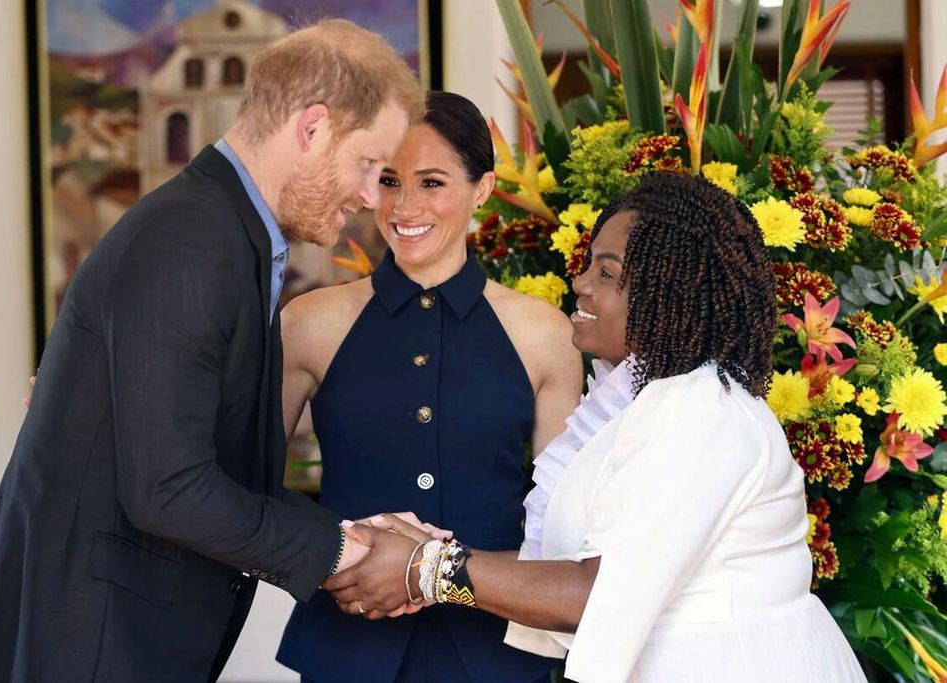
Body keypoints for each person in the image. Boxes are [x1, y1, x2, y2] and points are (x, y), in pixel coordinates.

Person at [0, 20, 423, 683]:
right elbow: (168, 489)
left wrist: (354, 535)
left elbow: (199, 461)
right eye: (368, 165)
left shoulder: (226, 233)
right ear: (312, 130)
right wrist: (342, 549)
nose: (370, 197)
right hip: (87, 649)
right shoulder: (193, 243)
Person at [327, 173, 867, 682]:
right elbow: (577, 567)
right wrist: (423, 554)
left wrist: (426, 568)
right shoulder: (650, 398)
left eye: (607, 273)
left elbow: (596, 592)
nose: (580, 283)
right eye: (590, 264)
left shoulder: (698, 410)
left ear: (668, 294)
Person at [276, 91, 584, 682]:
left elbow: (561, 528)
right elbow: (246, 489)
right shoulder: (308, 323)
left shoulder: (545, 334)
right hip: (347, 642)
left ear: (484, 189)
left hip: (497, 651)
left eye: (432, 182)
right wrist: (339, 556)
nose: (405, 205)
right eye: (389, 181)